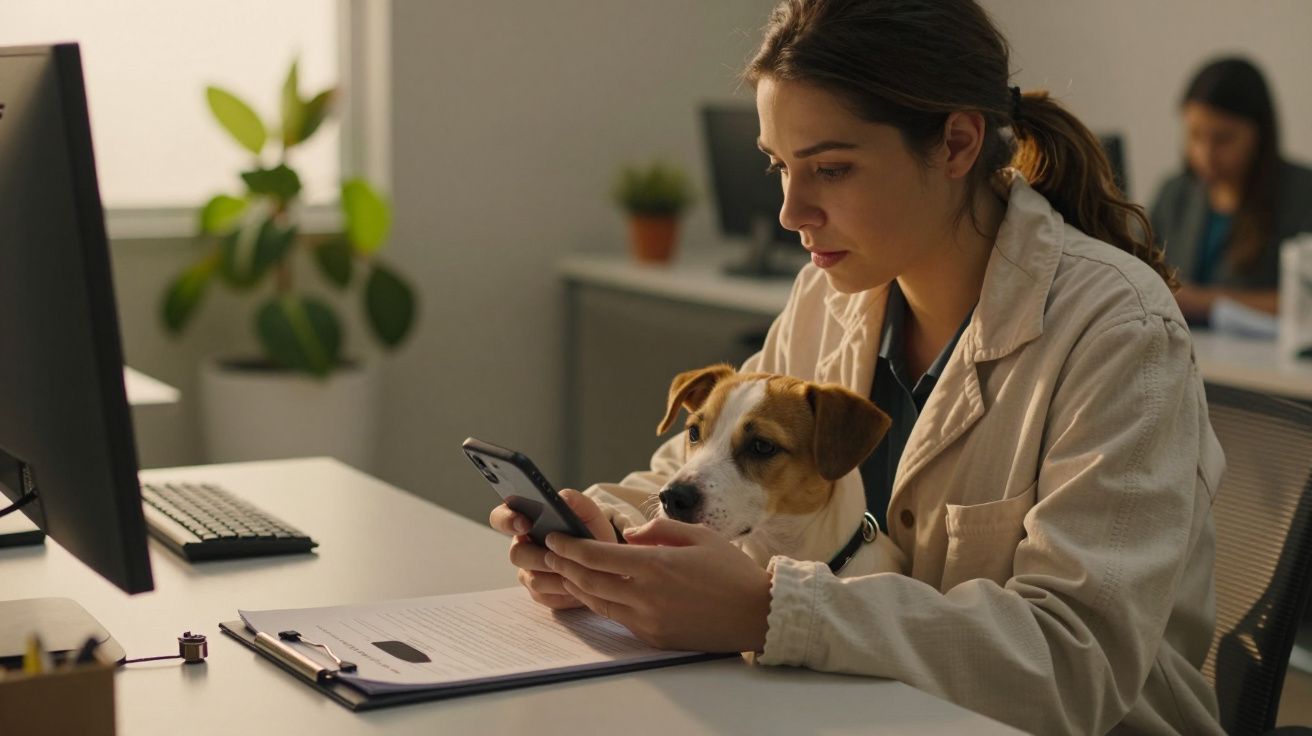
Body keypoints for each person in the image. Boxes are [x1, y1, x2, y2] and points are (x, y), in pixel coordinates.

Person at [490, 1, 1224, 732]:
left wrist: (762, 611)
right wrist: (605, 538)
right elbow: (701, 479)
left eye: (830, 168)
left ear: (958, 144)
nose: (789, 210)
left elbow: (1075, 660)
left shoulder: (1119, 329)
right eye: (779, 166)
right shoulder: (831, 295)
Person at [1150, 56, 1312, 324]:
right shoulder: (1174, 193)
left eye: (1223, 139)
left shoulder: (1302, 195)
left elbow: (1304, 303)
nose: (1206, 155)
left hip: (1262, 363)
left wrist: (1202, 301)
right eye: (1195, 135)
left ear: (1260, 134)